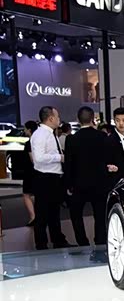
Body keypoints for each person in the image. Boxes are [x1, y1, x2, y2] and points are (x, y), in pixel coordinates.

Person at [64, 106, 110, 246]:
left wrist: (68, 184)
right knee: (100, 214)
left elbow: (68, 164)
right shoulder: (102, 137)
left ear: (78, 120)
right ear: (92, 119)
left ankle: (82, 242)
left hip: (79, 183)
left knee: (76, 214)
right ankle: (100, 241)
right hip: (99, 183)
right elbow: (106, 159)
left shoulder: (71, 139)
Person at [30, 106, 70, 250]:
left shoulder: (50, 134)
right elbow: (39, 158)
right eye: (57, 116)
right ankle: (41, 243)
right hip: (45, 178)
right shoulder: (40, 134)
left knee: (54, 211)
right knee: (42, 213)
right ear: (51, 118)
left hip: (53, 178)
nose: (59, 119)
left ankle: (58, 239)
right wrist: (59, 157)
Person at [18, 120, 38, 226]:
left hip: (30, 172)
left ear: (29, 130)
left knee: (26, 194)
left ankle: (33, 217)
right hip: (39, 172)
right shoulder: (39, 141)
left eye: (25, 129)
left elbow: (32, 159)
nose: (24, 131)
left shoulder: (29, 143)